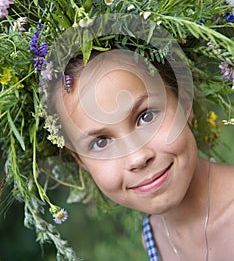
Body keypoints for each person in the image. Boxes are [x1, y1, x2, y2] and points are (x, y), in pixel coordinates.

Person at [45, 37, 234, 261]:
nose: (137, 157)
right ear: (81, 161)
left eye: (146, 116)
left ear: (185, 102)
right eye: (101, 142)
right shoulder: (153, 236)